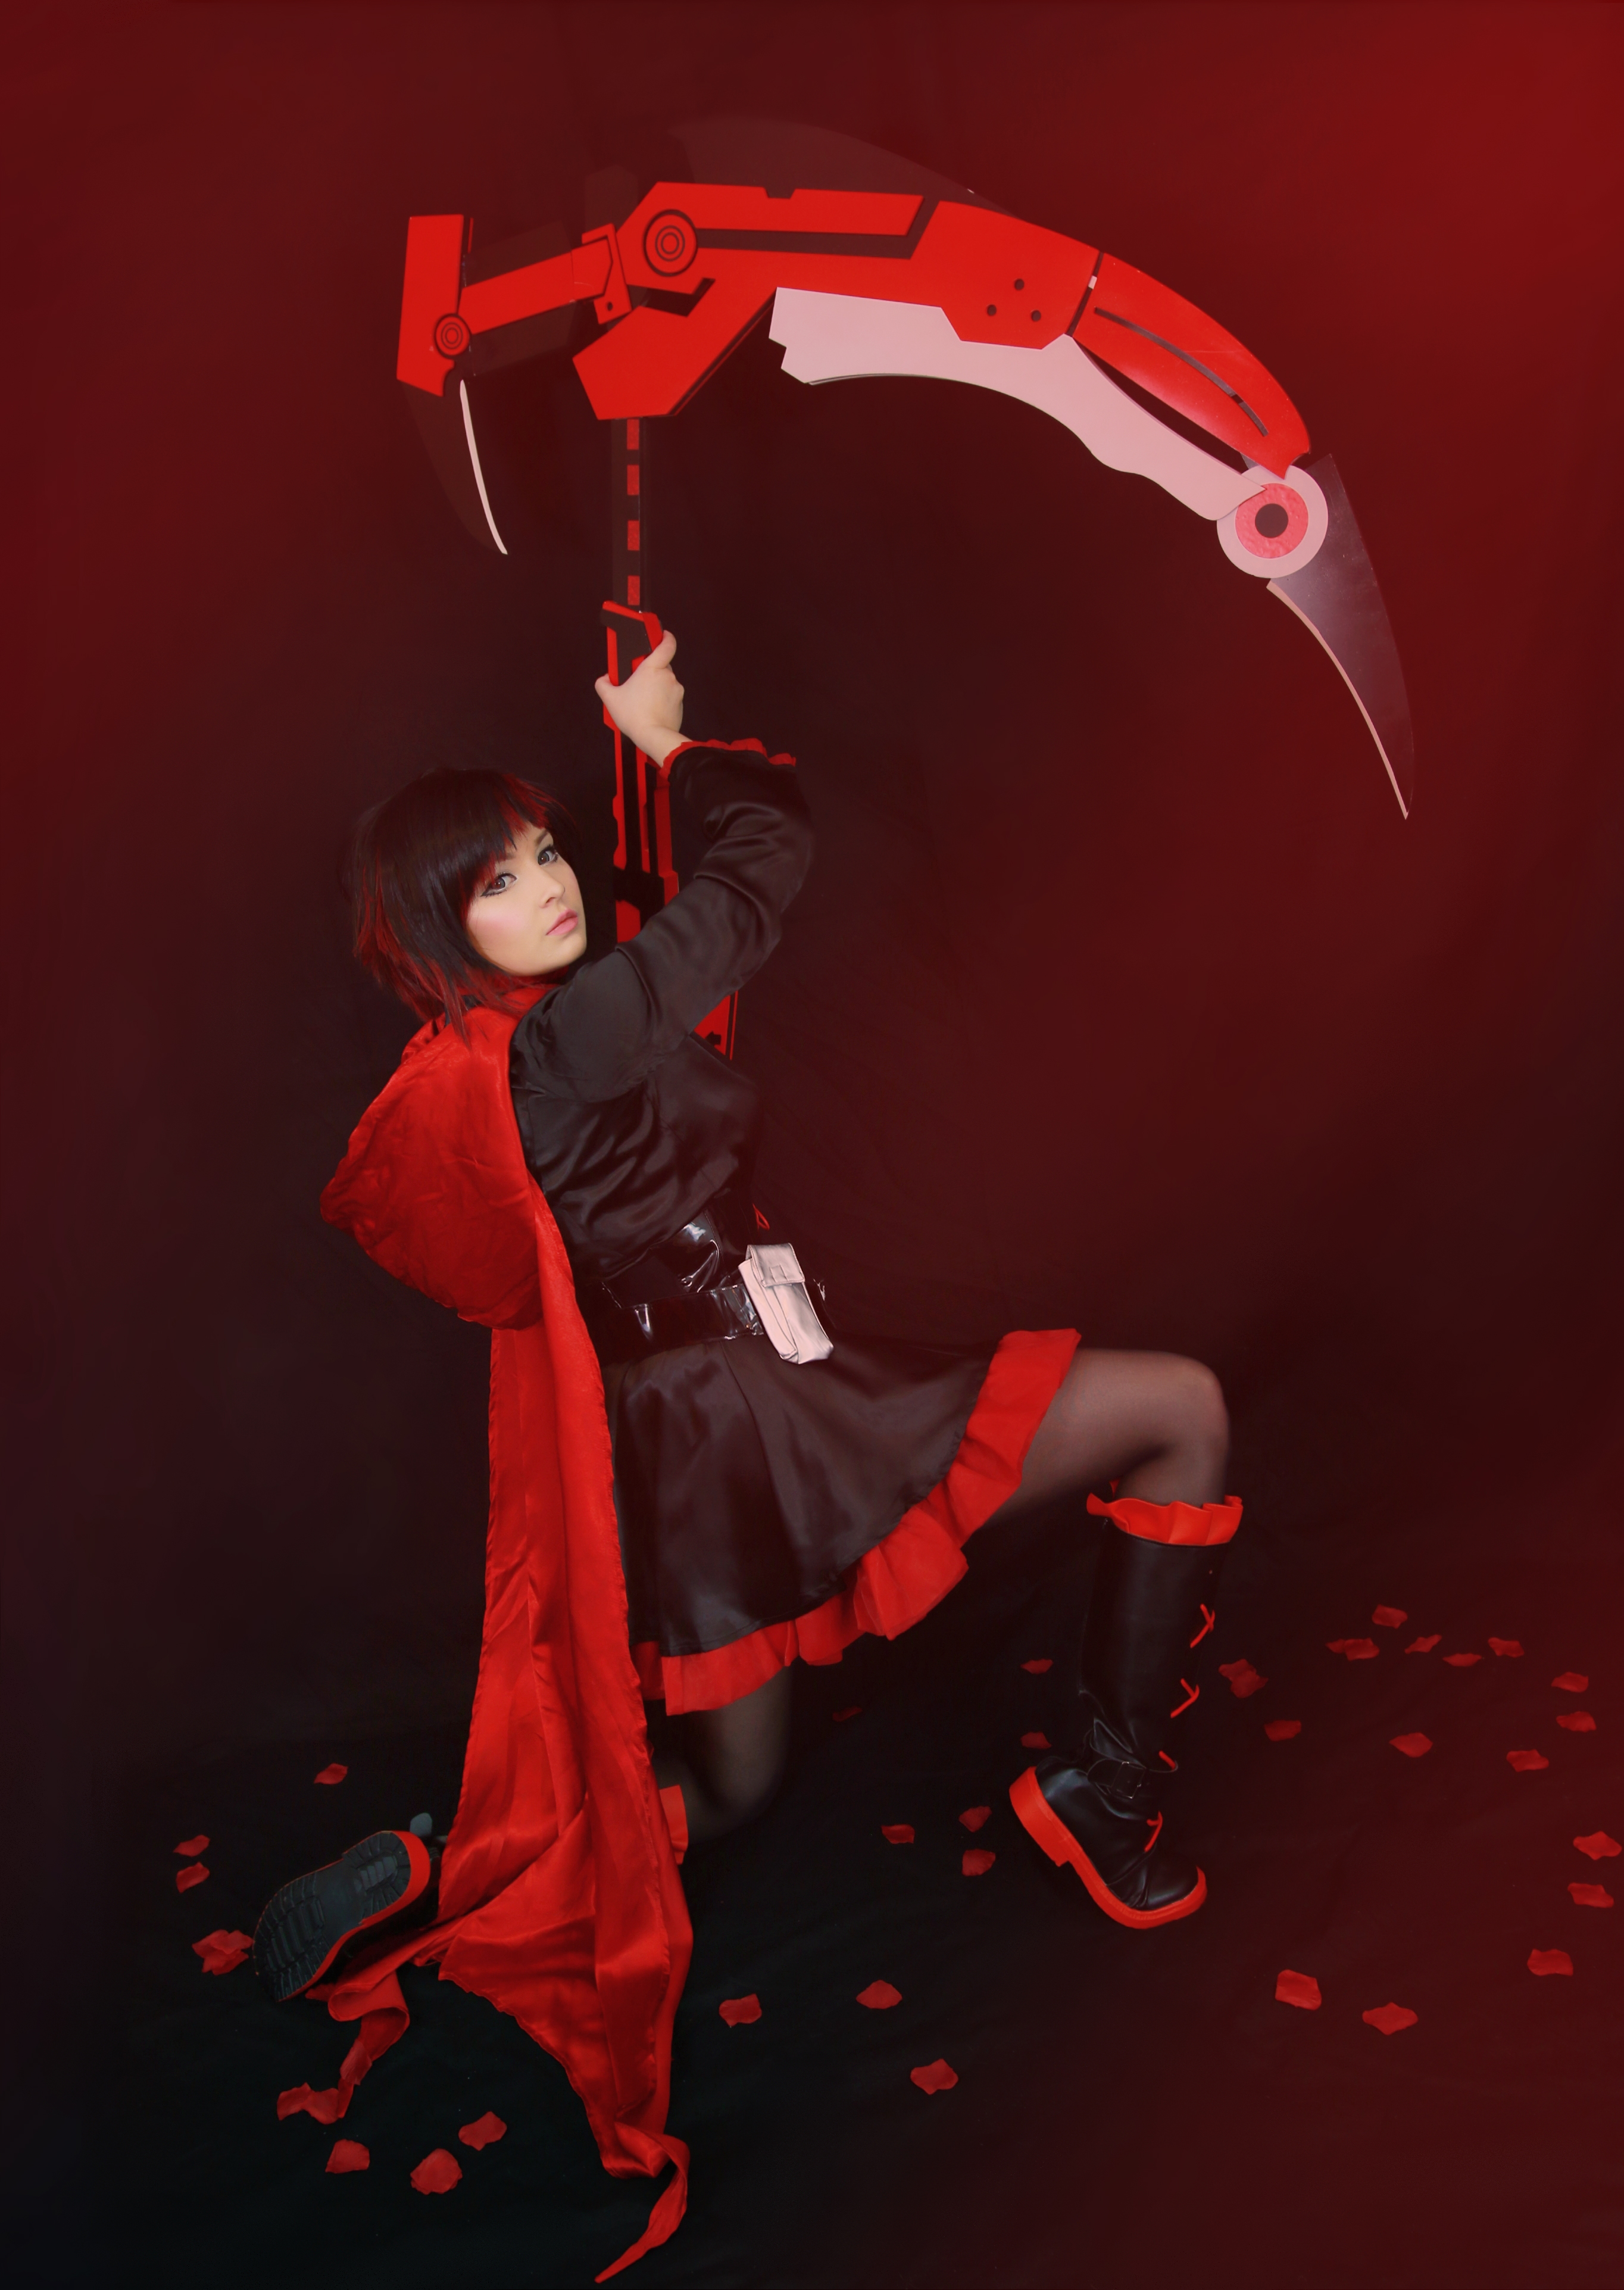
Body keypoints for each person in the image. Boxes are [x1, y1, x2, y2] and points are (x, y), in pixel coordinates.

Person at [252, 635, 1241, 2259]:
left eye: (543, 852)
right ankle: (1100, 1792)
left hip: (717, 1431)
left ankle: (453, 1868)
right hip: (762, 1420)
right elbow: (770, 848)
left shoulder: (518, 1060)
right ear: (441, 936)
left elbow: (677, 985)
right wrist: (672, 741)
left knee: (734, 1790)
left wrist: (646, 877)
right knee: (1185, 1407)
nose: (548, 887)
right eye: (498, 882)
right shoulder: (576, 1040)